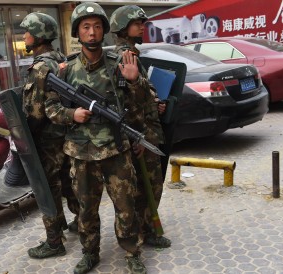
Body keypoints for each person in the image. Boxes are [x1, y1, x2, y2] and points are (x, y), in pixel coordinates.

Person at [46, 2, 149, 273]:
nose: (92, 33)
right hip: (80, 153)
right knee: (86, 209)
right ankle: (90, 253)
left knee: (126, 206)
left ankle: (131, 252)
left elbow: (139, 106)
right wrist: (71, 114)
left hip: (116, 150)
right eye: (86, 27)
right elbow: (50, 108)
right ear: (78, 33)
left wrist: (134, 81)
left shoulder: (120, 64)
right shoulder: (65, 70)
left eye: (97, 27)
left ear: (104, 31)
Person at [110, 5, 172, 249]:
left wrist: (154, 101)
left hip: (146, 131)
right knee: (147, 187)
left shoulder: (131, 54)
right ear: (124, 28)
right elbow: (124, 101)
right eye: (137, 24)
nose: (142, 27)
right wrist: (138, 137)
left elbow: (141, 89)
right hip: (141, 134)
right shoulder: (124, 57)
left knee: (149, 186)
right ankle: (145, 232)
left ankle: (145, 229)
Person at [19, 12, 77, 259]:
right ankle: (82, 223)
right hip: (68, 136)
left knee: (48, 188)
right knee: (70, 183)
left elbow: (35, 111)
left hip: (47, 140)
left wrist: (24, 136)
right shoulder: (61, 60)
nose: (24, 36)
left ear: (39, 35)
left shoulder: (40, 66)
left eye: (27, 32)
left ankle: (54, 241)